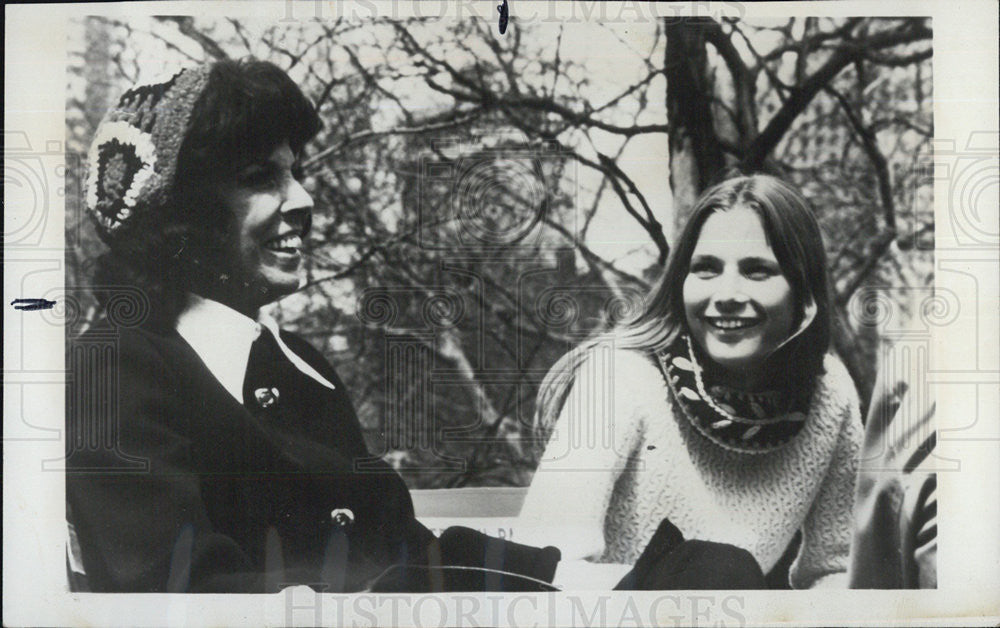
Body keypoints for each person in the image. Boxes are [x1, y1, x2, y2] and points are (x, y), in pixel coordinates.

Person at [65, 58, 563, 593]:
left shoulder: (302, 366)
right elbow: (183, 595)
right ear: (179, 214)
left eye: (295, 172)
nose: (303, 200)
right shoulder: (115, 365)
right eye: (260, 178)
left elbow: (400, 548)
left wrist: (566, 576)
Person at [518, 174, 864, 589]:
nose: (727, 293)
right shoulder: (619, 375)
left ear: (802, 289)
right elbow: (545, 567)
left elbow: (836, 570)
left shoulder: (832, 395)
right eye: (706, 269)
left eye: (757, 271)